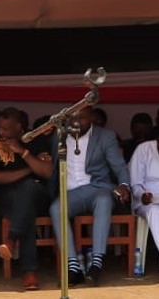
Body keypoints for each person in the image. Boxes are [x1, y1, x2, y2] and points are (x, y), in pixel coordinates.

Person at [48, 105, 130, 286]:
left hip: (98, 188)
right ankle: (73, 267)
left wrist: (124, 185)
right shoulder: (59, 137)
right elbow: (51, 167)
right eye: (72, 118)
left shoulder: (105, 136)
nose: (76, 122)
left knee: (104, 200)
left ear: (92, 117)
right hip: (70, 192)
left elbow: (119, 166)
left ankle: (96, 263)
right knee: (55, 208)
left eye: (81, 118)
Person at [0, 108, 52, 291]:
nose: (0, 132)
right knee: (25, 208)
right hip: (8, 199)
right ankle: (29, 273)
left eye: (5, 129)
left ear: (19, 127)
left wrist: (22, 152)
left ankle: (11, 240)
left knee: (28, 189)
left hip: (38, 196)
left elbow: (47, 172)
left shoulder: (36, 139)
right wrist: (30, 169)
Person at [128, 133, 159, 270]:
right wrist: (142, 195)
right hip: (147, 201)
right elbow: (135, 183)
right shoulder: (144, 149)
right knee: (154, 211)